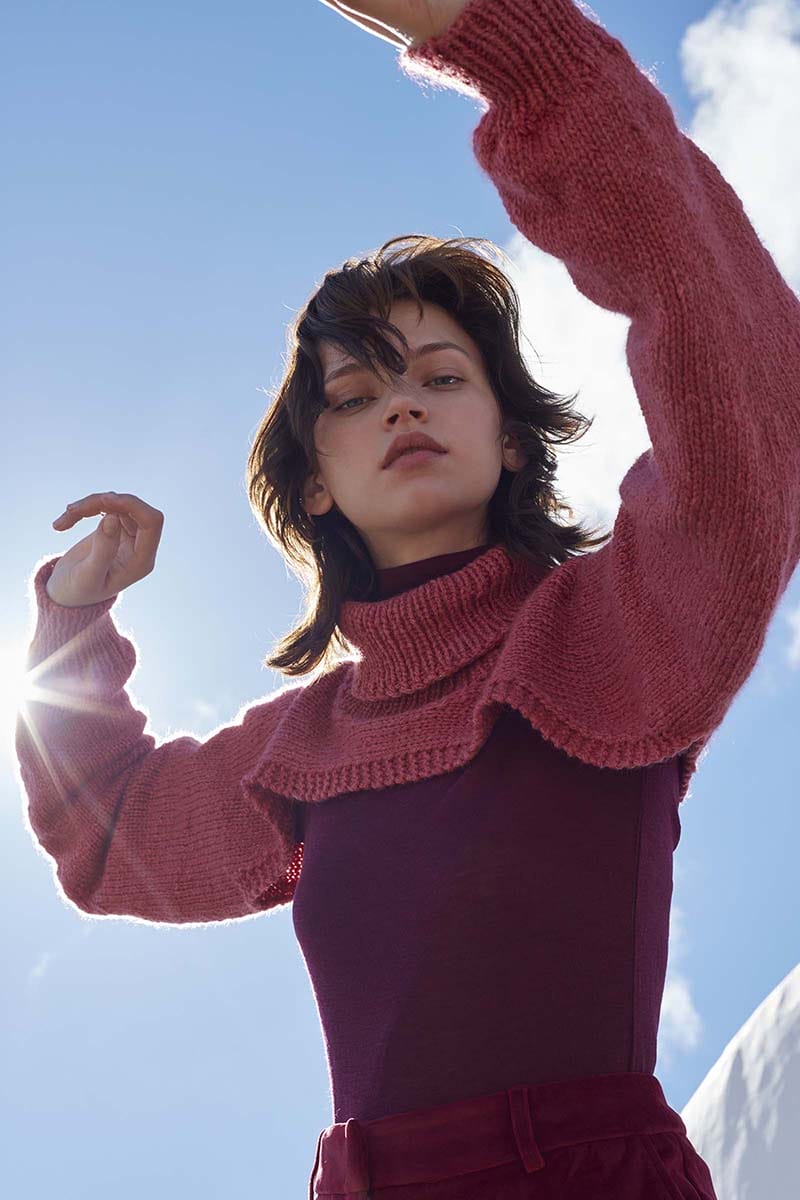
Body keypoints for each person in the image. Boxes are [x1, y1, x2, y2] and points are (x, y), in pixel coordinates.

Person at [18, 1, 800, 1197]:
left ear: (509, 439)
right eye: (353, 396)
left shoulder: (617, 631)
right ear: (313, 484)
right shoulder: (303, 745)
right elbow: (108, 836)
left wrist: (515, 45)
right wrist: (71, 623)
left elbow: (748, 380)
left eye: (441, 376)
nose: (401, 405)